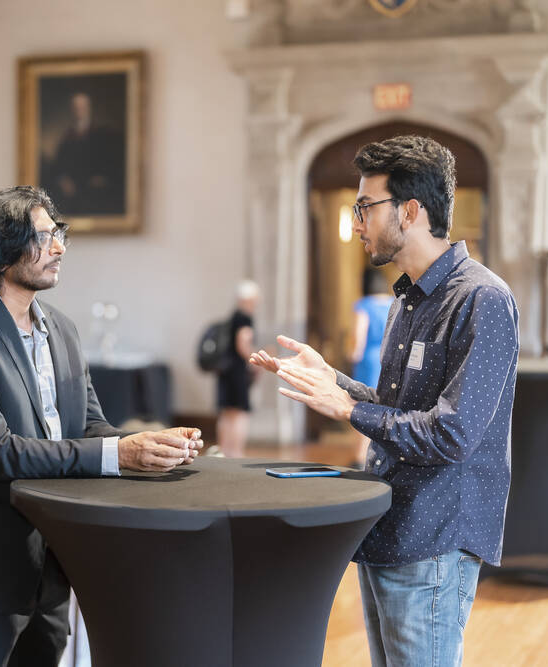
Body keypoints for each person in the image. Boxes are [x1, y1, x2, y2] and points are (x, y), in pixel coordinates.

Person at [250, 135, 519, 666]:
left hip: (434, 537)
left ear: (411, 211)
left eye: (365, 207)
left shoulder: (481, 299)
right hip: (391, 528)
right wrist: (335, 381)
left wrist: (348, 409)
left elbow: (452, 434)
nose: (356, 224)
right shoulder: (407, 298)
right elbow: (401, 408)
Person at [0, 186, 203, 666]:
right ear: (0, 247)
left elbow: (88, 426)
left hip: (51, 569)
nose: (60, 248)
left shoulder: (62, 329)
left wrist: (142, 443)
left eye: (59, 234)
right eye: (44, 236)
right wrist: (118, 455)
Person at [43, 92, 125, 216]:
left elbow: (109, 164)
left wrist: (100, 178)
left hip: (95, 190)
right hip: (73, 192)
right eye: (76, 107)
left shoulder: (101, 134)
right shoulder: (67, 138)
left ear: (88, 109)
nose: (79, 110)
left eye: (82, 107)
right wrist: (63, 180)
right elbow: (58, 167)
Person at [346, 268, 394, 467]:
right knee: (383, 408)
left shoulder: (364, 305)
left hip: (369, 361)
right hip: (389, 360)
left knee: (361, 407)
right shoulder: (394, 302)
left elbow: (359, 336)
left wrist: (351, 354)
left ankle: (360, 456)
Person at [216, 279, 259, 457]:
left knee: (227, 412)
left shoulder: (233, 316)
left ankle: (224, 451)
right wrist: (256, 359)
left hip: (225, 371)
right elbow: (242, 344)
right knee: (240, 413)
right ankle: (236, 452)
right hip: (237, 372)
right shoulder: (245, 318)